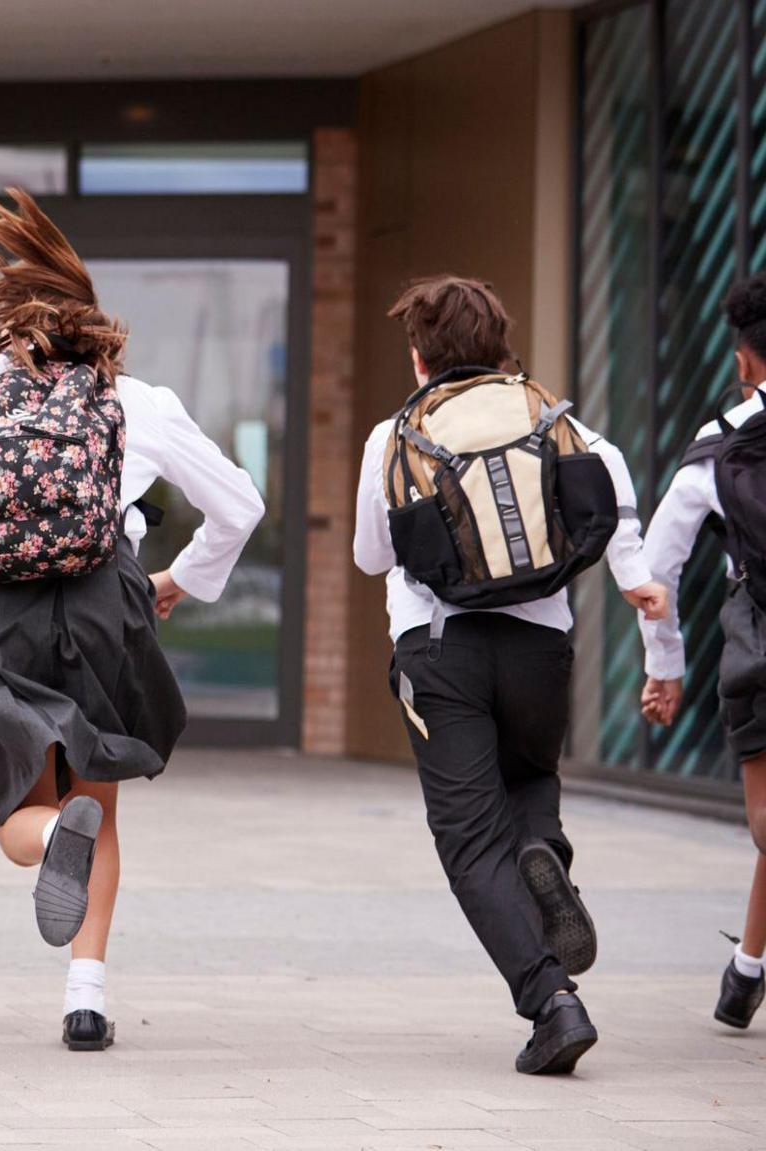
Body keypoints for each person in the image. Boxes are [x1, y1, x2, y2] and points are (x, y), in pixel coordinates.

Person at [0, 188, 263, 1051]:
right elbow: (241, 505)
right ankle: (87, 1000)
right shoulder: (138, 400)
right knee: (96, 797)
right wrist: (181, 577)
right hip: (106, 600)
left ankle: (45, 835)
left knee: (14, 820)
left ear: (10, 322)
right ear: (92, 320)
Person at [353, 275, 667, 1074]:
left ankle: (551, 1001)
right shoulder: (547, 412)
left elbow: (370, 556)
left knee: (469, 841)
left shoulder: (396, 434)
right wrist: (632, 574)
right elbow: (613, 476)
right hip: (541, 646)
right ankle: (547, 857)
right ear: (500, 344)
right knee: (529, 777)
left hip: (440, 648)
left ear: (420, 355)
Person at [638, 272, 766, 1032]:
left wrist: (667, 666)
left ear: (746, 361)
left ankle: (747, 969)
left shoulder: (717, 450)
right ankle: (747, 968)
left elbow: (658, 567)